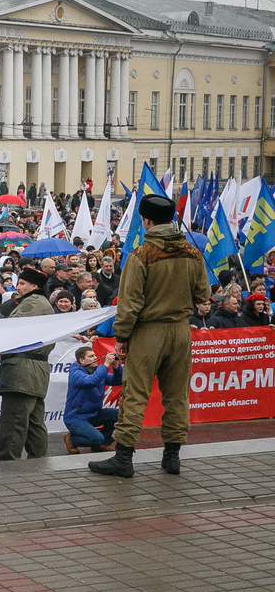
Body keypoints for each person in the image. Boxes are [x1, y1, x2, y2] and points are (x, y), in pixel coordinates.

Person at [90, 195, 210, 478]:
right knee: (177, 395)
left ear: (146, 220)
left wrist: (121, 337)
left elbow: (129, 303)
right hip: (181, 330)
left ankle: (123, 457)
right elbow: (203, 295)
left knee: (134, 395)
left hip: (149, 331)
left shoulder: (141, 255)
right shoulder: (192, 253)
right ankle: (172, 457)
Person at [0, 266, 54, 461]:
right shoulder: (40, 303)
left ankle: (7, 466)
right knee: (34, 424)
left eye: (22, 283)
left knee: (13, 424)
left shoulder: (33, 303)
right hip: (34, 371)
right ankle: (39, 463)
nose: (18, 287)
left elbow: (13, 330)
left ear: (34, 286)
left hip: (21, 372)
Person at [62, 346, 123, 454]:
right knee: (96, 439)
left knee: (120, 415)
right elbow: (91, 381)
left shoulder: (97, 372)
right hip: (76, 417)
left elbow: (117, 381)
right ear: (82, 361)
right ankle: (71, 439)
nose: (95, 358)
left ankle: (103, 444)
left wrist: (116, 366)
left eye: (94, 355)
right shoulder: (76, 373)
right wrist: (106, 364)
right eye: (90, 356)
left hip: (93, 414)